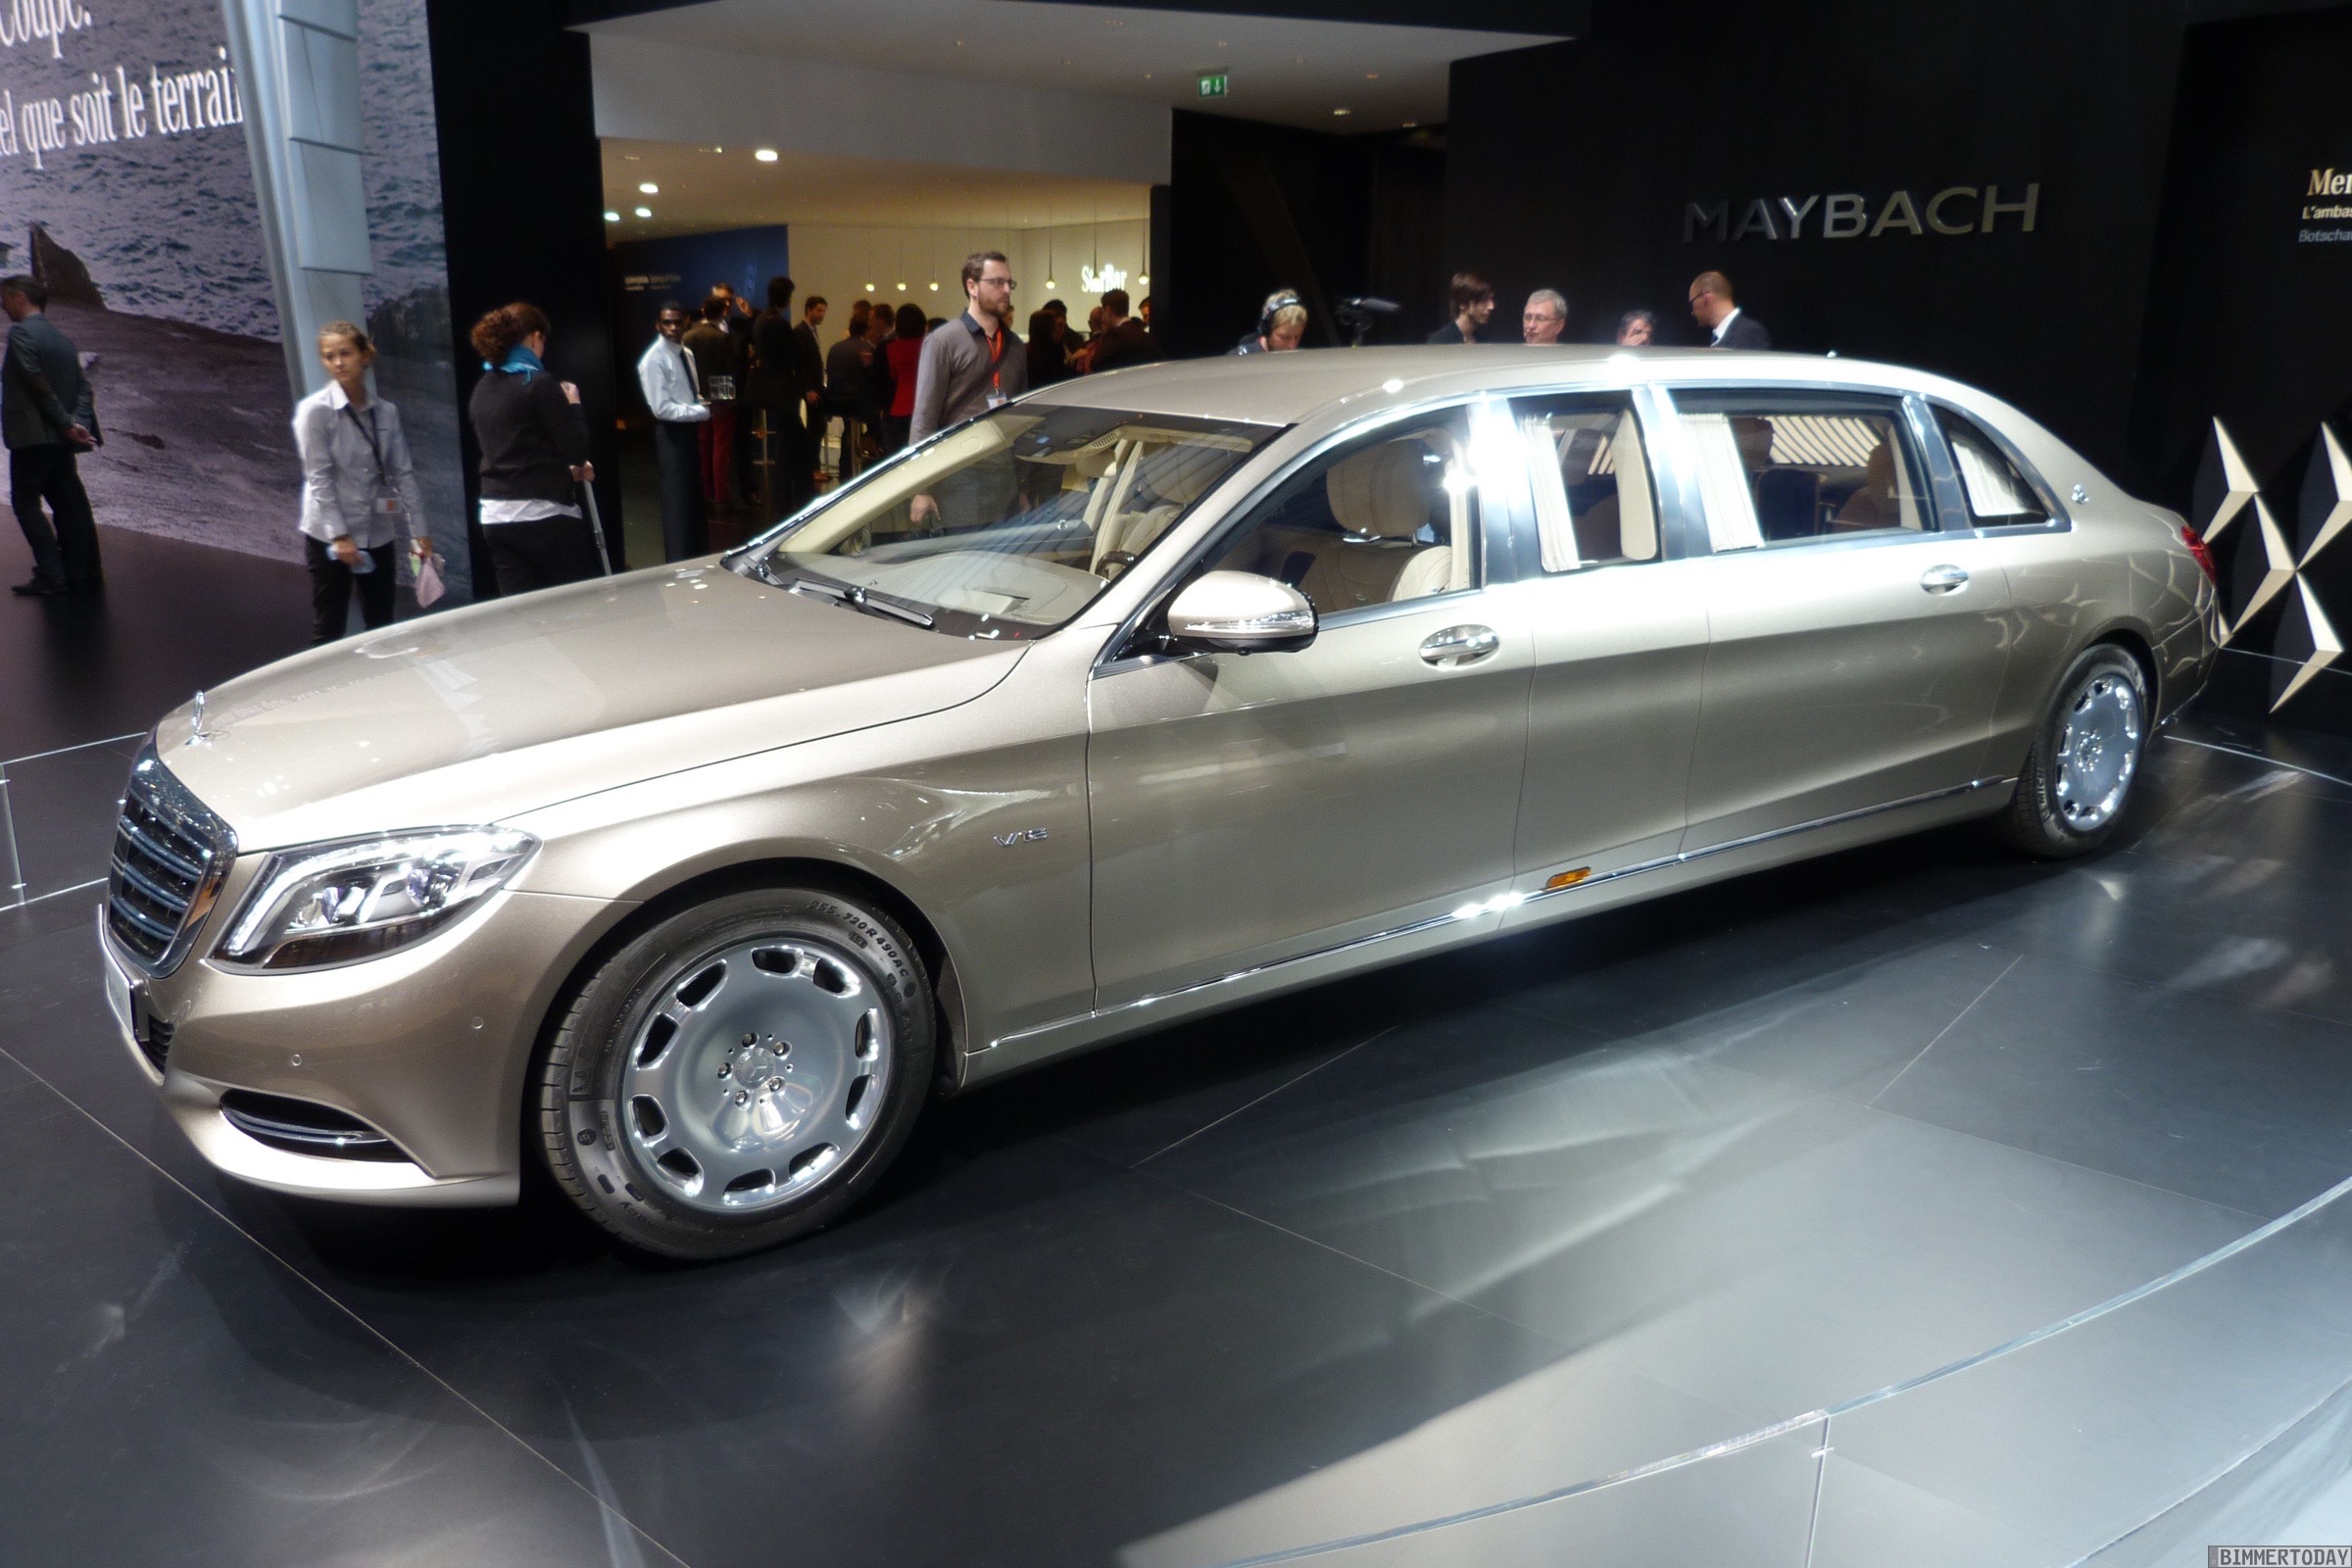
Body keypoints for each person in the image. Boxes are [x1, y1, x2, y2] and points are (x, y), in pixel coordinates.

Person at [293, 320, 434, 643]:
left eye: (345, 353)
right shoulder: (315, 411)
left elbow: (403, 472)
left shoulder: (386, 412)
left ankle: (382, 674)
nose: (338, 363)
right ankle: (327, 677)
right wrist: (339, 535)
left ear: (365, 356)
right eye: (329, 356)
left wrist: (420, 531)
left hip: (376, 528)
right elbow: (318, 478)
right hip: (328, 533)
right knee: (330, 624)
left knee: (382, 621)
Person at [470, 301, 601, 590]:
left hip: (495, 517)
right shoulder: (538, 384)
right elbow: (577, 449)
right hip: (543, 516)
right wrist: (574, 404)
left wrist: (564, 473)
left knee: (521, 608)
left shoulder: (483, 387)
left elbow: (514, 456)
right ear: (535, 337)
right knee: (573, 602)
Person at [908, 250, 1025, 525]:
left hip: (1005, 478)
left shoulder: (1015, 346)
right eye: (996, 282)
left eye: (1009, 283)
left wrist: (1023, 485)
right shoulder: (943, 342)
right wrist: (921, 489)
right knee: (967, 552)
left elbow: (1021, 418)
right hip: (960, 477)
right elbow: (924, 419)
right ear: (971, 286)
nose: (1006, 290)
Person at [1, 276, 99, 596]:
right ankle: (80, 572)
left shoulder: (21, 334)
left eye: (4, 298)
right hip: (60, 438)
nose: (2, 305)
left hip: (34, 435)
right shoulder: (61, 338)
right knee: (68, 503)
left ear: (20, 297)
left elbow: (36, 384)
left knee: (25, 502)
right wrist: (77, 423)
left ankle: (52, 574)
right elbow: (83, 387)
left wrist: (65, 423)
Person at [632, 300, 710, 563]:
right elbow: (661, 408)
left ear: (686, 322)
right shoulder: (653, 360)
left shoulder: (686, 354)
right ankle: (680, 563)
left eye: (678, 322)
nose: (673, 327)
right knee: (678, 506)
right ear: (658, 325)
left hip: (689, 432)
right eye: (667, 322)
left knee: (693, 502)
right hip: (672, 436)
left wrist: (706, 405)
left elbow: (691, 394)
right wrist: (702, 412)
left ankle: (698, 559)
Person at [746, 274, 808, 516]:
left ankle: (785, 499)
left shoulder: (761, 319)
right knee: (788, 446)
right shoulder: (778, 323)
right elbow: (794, 355)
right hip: (781, 390)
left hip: (771, 389)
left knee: (787, 444)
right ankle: (786, 499)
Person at [681, 294, 742, 511]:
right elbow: (732, 369)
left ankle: (705, 493)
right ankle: (721, 496)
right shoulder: (722, 338)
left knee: (703, 447)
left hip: (697, 398)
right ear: (723, 313)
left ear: (703, 310)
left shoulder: (688, 336)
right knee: (720, 448)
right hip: (721, 399)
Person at [824, 307, 880, 481]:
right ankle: (871, 463)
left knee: (848, 430)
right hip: (859, 404)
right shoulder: (868, 349)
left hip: (835, 402)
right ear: (867, 329)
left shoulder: (835, 348)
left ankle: (846, 472)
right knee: (878, 425)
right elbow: (874, 377)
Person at [1083, 289, 1159, 373]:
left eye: (1103, 312)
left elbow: (1095, 365)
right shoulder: (1147, 337)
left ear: (1108, 311)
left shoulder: (1114, 335)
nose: (1102, 318)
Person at [883, 304, 926, 452]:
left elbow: (893, 375)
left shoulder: (892, 348)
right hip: (924, 403)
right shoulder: (928, 344)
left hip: (900, 406)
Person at [1690, 270, 1770, 349]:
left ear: (1705, 297)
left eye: (1692, 302)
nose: (1692, 312)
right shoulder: (1718, 338)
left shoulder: (1750, 333)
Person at [1427, 271, 1494, 344]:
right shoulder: (1440, 342)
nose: (1491, 306)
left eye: (1491, 299)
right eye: (1483, 300)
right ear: (1463, 304)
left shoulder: (1482, 342)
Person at [1234, 290, 1306, 354]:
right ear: (1267, 331)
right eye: (1284, 337)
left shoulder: (1303, 359)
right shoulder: (1238, 360)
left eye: (1297, 337)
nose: (1292, 347)